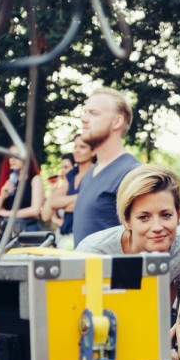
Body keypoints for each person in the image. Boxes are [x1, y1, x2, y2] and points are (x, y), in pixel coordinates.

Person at [76, 164, 180, 299]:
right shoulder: (93, 252)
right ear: (127, 220)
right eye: (144, 217)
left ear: (179, 215)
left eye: (166, 215)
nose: (157, 227)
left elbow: (171, 302)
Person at [72, 88, 141, 245]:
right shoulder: (89, 174)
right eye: (85, 112)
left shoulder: (132, 174)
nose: (83, 118)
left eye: (93, 113)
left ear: (117, 121)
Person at [45, 136, 95, 248]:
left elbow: (89, 204)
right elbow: (54, 203)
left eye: (82, 147)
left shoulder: (95, 173)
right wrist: (80, 197)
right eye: (75, 146)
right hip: (65, 236)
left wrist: (65, 203)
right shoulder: (71, 175)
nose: (77, 150)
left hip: (85, 236)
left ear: (93, 151)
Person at [0, 146, 44, 244]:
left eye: (16, 156)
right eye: (10, 156)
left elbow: (35, 210)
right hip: (5, 235)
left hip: (27, 233)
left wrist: (6, 213)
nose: (12, 160)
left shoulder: (35, 179)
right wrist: (2, 197)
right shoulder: (7, 181)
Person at [42, 152, 75, 229]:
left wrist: (55, 220)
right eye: (61, 167)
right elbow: (45, 217)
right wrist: (52, 192)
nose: (62, 171)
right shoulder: (59, 190)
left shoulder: (78, 188)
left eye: (66, 167)